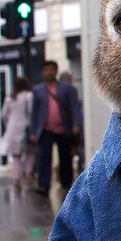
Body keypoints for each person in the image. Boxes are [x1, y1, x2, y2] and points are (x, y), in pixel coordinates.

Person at [29, 61, 82, 195]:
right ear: (42, 72)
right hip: (45, 129)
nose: (49, 73)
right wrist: (33, 131)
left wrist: (76, 124)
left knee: (65, 157)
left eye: (51, 70)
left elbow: (74, 107)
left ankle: (67, 184)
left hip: (63, 128)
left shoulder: (66, 88)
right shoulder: (38, 90)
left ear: (56, 71)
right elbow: (34, 112)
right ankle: (43, 185)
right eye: (46, 70)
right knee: (44, 158)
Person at [0, 77, 35, 190]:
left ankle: (16, 178)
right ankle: (28, 173)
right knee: (30, 153)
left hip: (12, 129)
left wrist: (8, 125)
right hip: (25, 128)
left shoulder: (10, 98)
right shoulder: (29, 96)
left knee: (16, 156)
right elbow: (31, 112)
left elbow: (4, 115)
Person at [58, 71, 85, 175]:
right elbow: (75, 108)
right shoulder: (70, 89)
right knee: (75, 149)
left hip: (69, 126)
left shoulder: (65, 90)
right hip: (70, 126)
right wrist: (76, 124)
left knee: (73, 150)